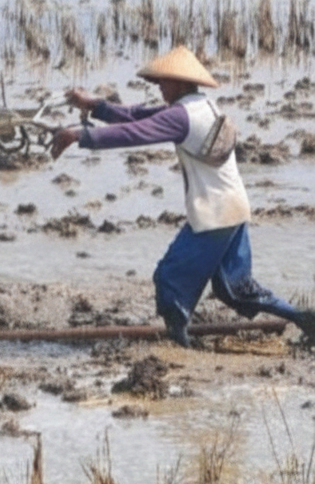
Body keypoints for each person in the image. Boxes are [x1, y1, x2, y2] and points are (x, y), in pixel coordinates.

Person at [50, 45, 315, 347]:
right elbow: (137, 116)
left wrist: (80, 135)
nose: (159, 87)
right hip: (236, 208)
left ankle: (181, 344)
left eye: (163, 81)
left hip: (215, 214)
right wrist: (95, 106)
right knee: (236, 290)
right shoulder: (202, 106)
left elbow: (135, 133)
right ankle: (302, 317)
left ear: (180, 82)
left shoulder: (181, 117)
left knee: (169, 280)